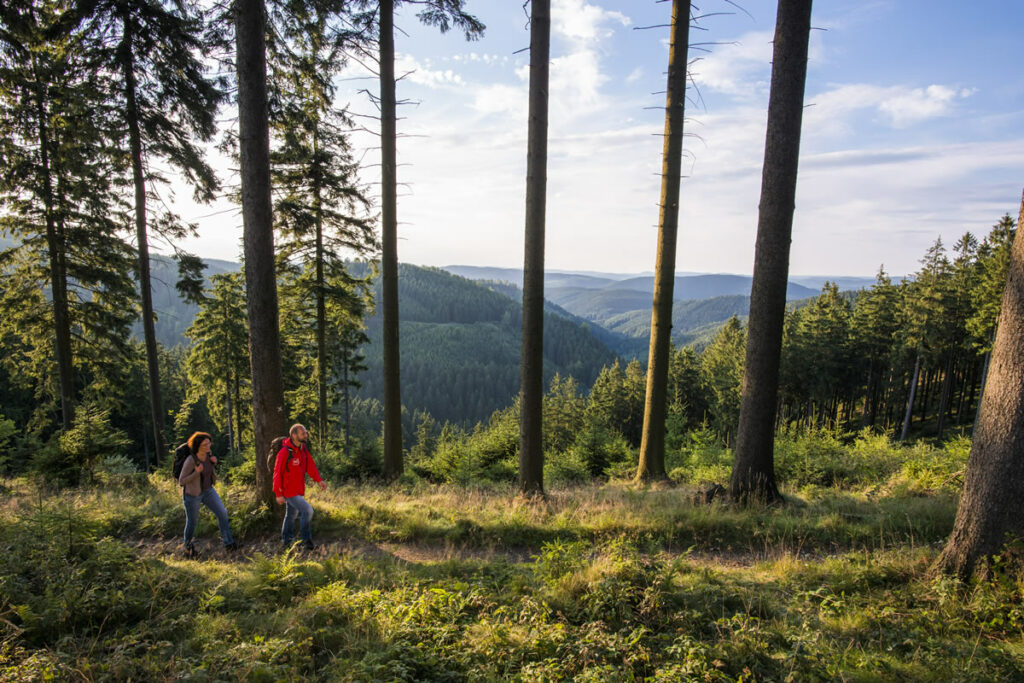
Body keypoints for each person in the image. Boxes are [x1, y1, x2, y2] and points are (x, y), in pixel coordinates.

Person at [178, 431, 238, 557]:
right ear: (198, 446)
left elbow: (209, 472)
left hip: (208, 491)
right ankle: (188, 547)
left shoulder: (208, 455)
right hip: (193, 495)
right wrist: (196, 473)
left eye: (209, 443)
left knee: (222, 513)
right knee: (192, 522)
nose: (208, 446)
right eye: (205, 445)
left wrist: (212, 463)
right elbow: (182, 481)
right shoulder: (190, 460)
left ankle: (229, 543)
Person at [273, 423, 326, 550]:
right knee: (307, 511)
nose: (305, 435)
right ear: (294, 435)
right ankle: (306, 542)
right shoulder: (284, 452)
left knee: (290, 515)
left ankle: (286, 542)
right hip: (288, 491)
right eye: (303, 433)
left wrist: (319, 480)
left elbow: (310, 466)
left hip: (298, 489)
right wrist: (278, 493)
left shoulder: (302, 449)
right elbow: (277, 472)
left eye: (305, 433)